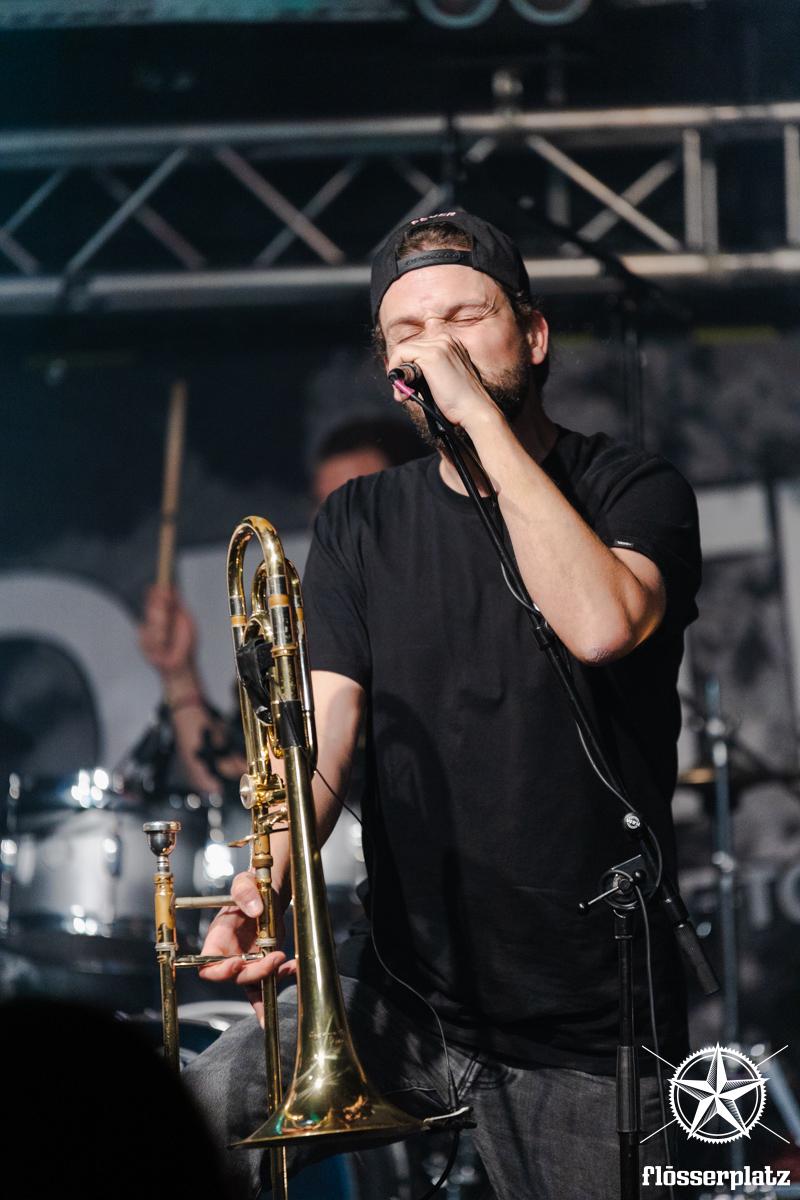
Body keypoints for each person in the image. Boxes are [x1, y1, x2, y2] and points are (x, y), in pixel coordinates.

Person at [182, 211, 701, 1199]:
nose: (438, 351)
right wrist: (270, 880)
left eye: (465, 318)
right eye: (409, 334)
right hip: (401, 997)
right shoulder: (361, 520)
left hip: (587, 1028)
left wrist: (481, 426)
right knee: (176, 1120)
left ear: (533, 336)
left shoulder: (631, 487)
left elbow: (600, 625)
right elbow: (324, 741)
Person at [138, 416, 424, 795]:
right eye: (322, 505)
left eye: (351, 500)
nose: (332, 521)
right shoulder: (310, 636)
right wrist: (179, 675)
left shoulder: (441, 620)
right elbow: (238, 782)